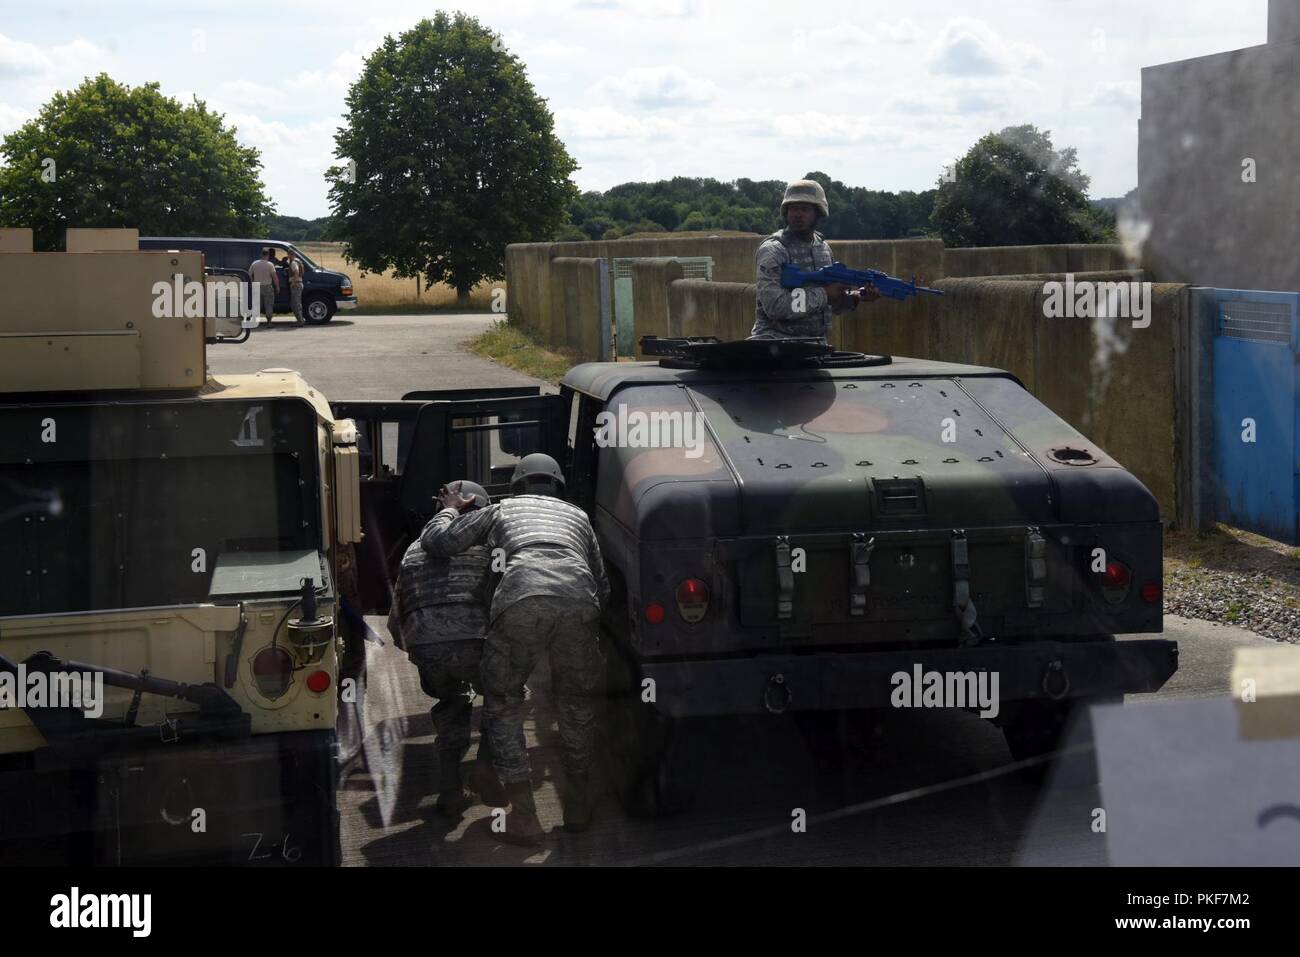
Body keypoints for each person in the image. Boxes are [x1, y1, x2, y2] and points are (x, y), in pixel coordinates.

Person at [421, 453, 608, 845]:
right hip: (580, 599)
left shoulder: (503, 509)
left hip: (520, 598)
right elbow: (602, 585)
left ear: (517, 484)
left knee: (504, 702)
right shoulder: (578, 517)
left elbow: (436, 543)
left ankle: (524, 816)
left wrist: (450, 510)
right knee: (576, 703)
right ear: (557, 485)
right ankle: (577, 805)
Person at [387, 479, 506, 817]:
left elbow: (397, 621)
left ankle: (451, 790)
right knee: (508, 698)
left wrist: (423, 649)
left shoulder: (412, 550)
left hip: (428, 648)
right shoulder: (491, 549)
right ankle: (485, 767)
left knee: (452, 704)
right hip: (477, 644)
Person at [749, 179, 878, 341]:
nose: (798, 214)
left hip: (814, 344)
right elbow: (775, 306)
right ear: (786, 212)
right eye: (793, 209)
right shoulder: (774, 249)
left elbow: (829, 305)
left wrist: (855, 297)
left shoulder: (823, 248)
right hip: (775, 343)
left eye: (805, 209)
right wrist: (824, 294)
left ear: (818, 212)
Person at [248, 247, 280, 326]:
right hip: (267, 287)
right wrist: (277, 286)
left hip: (257, 286)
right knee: (269, 304)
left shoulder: (254, 263)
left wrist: (252, 282)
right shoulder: (270, 264)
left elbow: (249, 274)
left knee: (257, 305)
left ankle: (255, 321)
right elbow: (274, 277)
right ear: (268, 255)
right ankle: (269, 322)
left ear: (261, 254)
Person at [284, 250, 306, 324]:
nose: (288, 256)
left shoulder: (293, 262)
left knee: (295, 303)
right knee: (296, 303)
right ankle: (300, 320)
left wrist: (293, 282)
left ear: (290, 255)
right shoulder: (298, 261)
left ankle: (300, 321)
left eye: (288, 255)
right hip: (299, 283)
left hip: (296, 284)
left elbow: (296, 271)